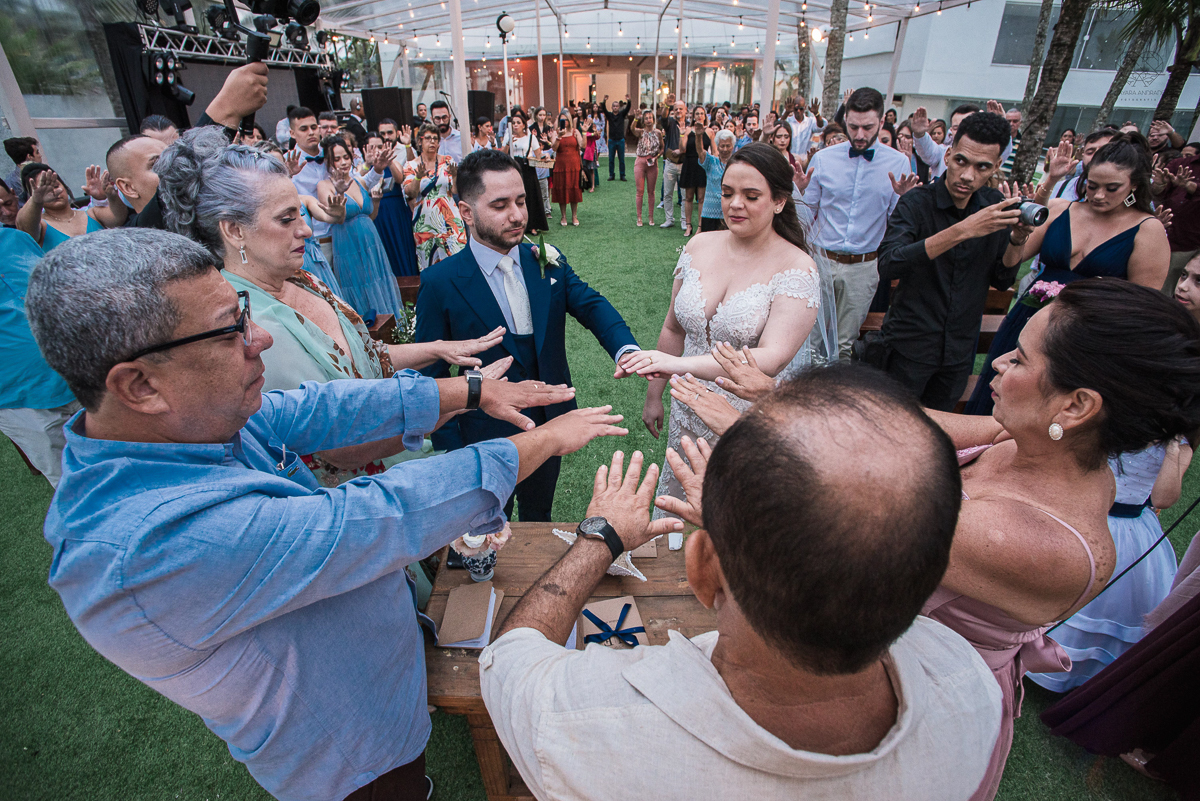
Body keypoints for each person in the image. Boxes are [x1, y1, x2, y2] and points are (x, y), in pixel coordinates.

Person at [27, 225, 624, 801]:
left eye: (242, 311)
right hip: (352, 753)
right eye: (227, 330)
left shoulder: (184, 424)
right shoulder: (149, 545)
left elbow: (316, 408)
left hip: (373, 686)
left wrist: (465, 392)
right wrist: (539, 442)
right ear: (138, 386)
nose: (258, 337)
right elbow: (379, 517)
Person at [480, 366, 1003, 801]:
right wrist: (760, 533)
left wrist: (599, 539)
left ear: (703, 571)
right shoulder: (970, 688)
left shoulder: (586, 720)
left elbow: (508, 658)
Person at [415, 149, 641, 522]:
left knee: (539, 516)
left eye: (521, 200)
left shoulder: (544, 259)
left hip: (549, 423)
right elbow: (430, 374)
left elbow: (590, 304)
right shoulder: (440, 283)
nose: (518, 214)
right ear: (467, 213)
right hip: (482, 437)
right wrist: (450, 447)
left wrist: (625, 349)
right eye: (501, 205)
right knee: (485, 526)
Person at [621, 143, 834, 535]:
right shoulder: (699, 244)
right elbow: (673, 328)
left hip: (742, 416)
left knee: (731, 517)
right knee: (678, 505)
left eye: (751, 196)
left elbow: (767, 359)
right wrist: (655, 394)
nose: (735, 204)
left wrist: (674, 366)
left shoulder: (797, 268)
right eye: (728, 192)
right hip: (685, 408)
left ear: (779, 202)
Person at [964, 133, 1170, 415]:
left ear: (1133, 184)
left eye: (1112, 188)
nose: (1099, 195)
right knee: (998, 400)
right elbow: (1010, 265)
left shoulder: (1147, 230)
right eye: (1093, 185)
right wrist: (1017, 237)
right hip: (1028, 320)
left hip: (1085, 338)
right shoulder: (1061, 209)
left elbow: (1142, 308)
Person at [877, 111, 1021, 411]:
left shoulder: (993, 205)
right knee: (890, 430)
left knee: (939, 437)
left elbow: (1003, 279)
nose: (968, 175)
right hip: (909, 346)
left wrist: (1017, 240)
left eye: (982, 167)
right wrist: (963, 230)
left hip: (958, 351)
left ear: (995, 167)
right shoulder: (917, 202)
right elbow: (890, 263)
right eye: (961, 161)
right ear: (948, 154)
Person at [1026, 433, 1191, 692]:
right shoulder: (1123, 421)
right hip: (1084, 513)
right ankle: (1024, 648)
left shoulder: (1180, 449)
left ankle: (1081, 670)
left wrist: (1171, 448)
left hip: (1128, 530)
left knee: (1108, 603)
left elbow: (1162, 499)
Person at [793, 87, 914, 361]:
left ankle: (833, 402)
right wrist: (797, 192)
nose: (860, 135)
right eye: (853, 126)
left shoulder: (899, 163)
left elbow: (899, 225)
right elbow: (805, 213)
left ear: (882, 123)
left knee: (844, 346)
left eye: (868, 127)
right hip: (820, 261)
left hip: (863, 266)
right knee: (807, 341)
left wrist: (907, 201)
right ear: (845, 119)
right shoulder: (824, 158)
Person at [0, 227, 80, 487]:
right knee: (71, 482)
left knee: (129, 452)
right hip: (19, 399)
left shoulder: (16, 238)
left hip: (80, 370)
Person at [313, 135, 406, 320]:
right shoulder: (324, 186)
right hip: (348, 244)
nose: (342, 163)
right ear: (328, 163)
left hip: (372, 241)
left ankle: (392, 325)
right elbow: (335, 218)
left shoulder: (359, 181)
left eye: (345, 157)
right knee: (359, 285)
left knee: (378, 281)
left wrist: (377, 197)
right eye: (336, 159)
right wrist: (339, 192)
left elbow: (370, 215)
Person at [402, 123, 467, 271]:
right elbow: (410, 193)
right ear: (420, 141)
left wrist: (455, 175)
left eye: (435, 139)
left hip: (449, 217)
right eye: (428, 138)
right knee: (430, 265)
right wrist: (418, 178)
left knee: (458, 259)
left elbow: (455, 190)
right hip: (425, 220)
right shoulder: (411, 165)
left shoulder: (447, 160)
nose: (432, 142)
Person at [16, 164, 117, 249]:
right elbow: (23, 226)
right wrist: (36, 201)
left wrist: (110, 196)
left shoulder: (91, 213)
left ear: (65, 187)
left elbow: (118, 218)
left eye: (56, 186)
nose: (54, 192)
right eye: (45, 190)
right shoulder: (40, 225)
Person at [371, 120, 421, 278]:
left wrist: (392, 156)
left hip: (398, 206)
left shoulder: (403, 149)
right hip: (378, 209)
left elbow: (405, 175)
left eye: (389, 133)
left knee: (403, 246)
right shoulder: (370, 155)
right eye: (382, 134)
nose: (386, 137)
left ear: (396, 133)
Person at [1153, 137, 1200, 293]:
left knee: (1172, 290)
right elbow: (1157, 194)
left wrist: (1193, 189)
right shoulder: (1180, 164)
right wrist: (1159, 186)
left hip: (1188, 244)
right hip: (1162, 234)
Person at [503, 110, 549, 235]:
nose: (515, 125)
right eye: (513, 123)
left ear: (524, 125)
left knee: (530, 196)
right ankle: (516, 224)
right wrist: (508, 143)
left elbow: (538, 154)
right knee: (514, 197)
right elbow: (502, 154)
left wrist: (545, 157)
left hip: (527, 168)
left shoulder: (530, 137)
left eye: (518, 123)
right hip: (512, 168)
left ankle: (532, 225)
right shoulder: (508, 137)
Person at [911, 103, 982, 179]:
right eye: (956, 128)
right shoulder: (943, 153)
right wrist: (920, 134)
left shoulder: (986, 156)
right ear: (951, 130)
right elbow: (927, 151)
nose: (961, 132)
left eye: (967, 127)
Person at [679, 106, 712, 237]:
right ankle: (688, 225)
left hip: (703, 165)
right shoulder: (688, 130)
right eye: (697, 113)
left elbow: (714, 151)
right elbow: (682, 149)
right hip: (690, 164)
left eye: (701, 114)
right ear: (693, 116)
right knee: (688, 197)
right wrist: (681, 134)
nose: (699, 116)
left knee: (702, 198)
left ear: (705, 116)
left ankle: (700, 226)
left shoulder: (709, 131)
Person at [699, 129, 735, 232]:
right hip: (709, 212)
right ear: (717, 146)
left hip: (729, 211)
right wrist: (698, 136)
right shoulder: (711, 162)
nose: (724, 149)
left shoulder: (736, 164)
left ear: (732, 146)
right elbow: (700, 152)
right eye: (722, 146)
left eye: (728, 146)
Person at [550, 114, 583, 227]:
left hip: (574, 165)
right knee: (562, 189)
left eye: (566, 119)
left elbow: (582, 145)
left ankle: (574, 215)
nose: (565, 122)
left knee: (574, 189)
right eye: (562, 120)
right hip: (561, 165)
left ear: (569, 119)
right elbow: (554, 148)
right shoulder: (556, 132)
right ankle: (563, 216)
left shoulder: (575, 132)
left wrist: (584, 132)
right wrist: (559, 136)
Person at [631, 110, 662, 227]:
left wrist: (656, 157)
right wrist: (635, 118)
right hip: (640, 161)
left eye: (650, 118)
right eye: (646, 118)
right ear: (643, 121)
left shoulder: (658, 133)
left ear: (653, 119)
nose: (649, 120)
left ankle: (651, 216)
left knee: (651, 191)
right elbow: (632, 129)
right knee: (640, 191)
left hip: (652, 163)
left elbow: (662, 148)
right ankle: (639, 217)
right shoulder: (640, 132)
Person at [660, 101, 686, 229]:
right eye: (676, 109)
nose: (678, 111)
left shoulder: (689, 125)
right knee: (667, 193)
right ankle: (669, 219)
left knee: (686, 196)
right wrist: (667, 105)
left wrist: (682, 151)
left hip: (685, 164)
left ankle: (684, 221)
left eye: (681, 109)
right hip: (670, 163)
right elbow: (663, 117)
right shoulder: (670, 123)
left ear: (685, 110)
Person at [600, 94, 631, 181]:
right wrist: (604, 101)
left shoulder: (622, 114)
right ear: (612, 107)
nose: (615, 107)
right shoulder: (609, 115)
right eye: (614, 106)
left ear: (619, 107)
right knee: (611, 159)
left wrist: (629, 101)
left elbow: (628, 108)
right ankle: (611, 175)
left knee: (621, 159)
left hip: (620, 140)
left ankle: (622, 175)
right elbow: (604, 109)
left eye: (617, 106)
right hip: (612, 140)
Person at [3, 136, 41, 202]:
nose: (40, 155)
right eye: (37, 152)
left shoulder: (41, 172)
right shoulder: (15, 182)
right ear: (29, 157)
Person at [1000, 107, 1022, 175]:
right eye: (1008, 121)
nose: (1011, 124)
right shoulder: (997, 139)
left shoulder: (1023, 143)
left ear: (1020, 123)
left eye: (1015, 121)